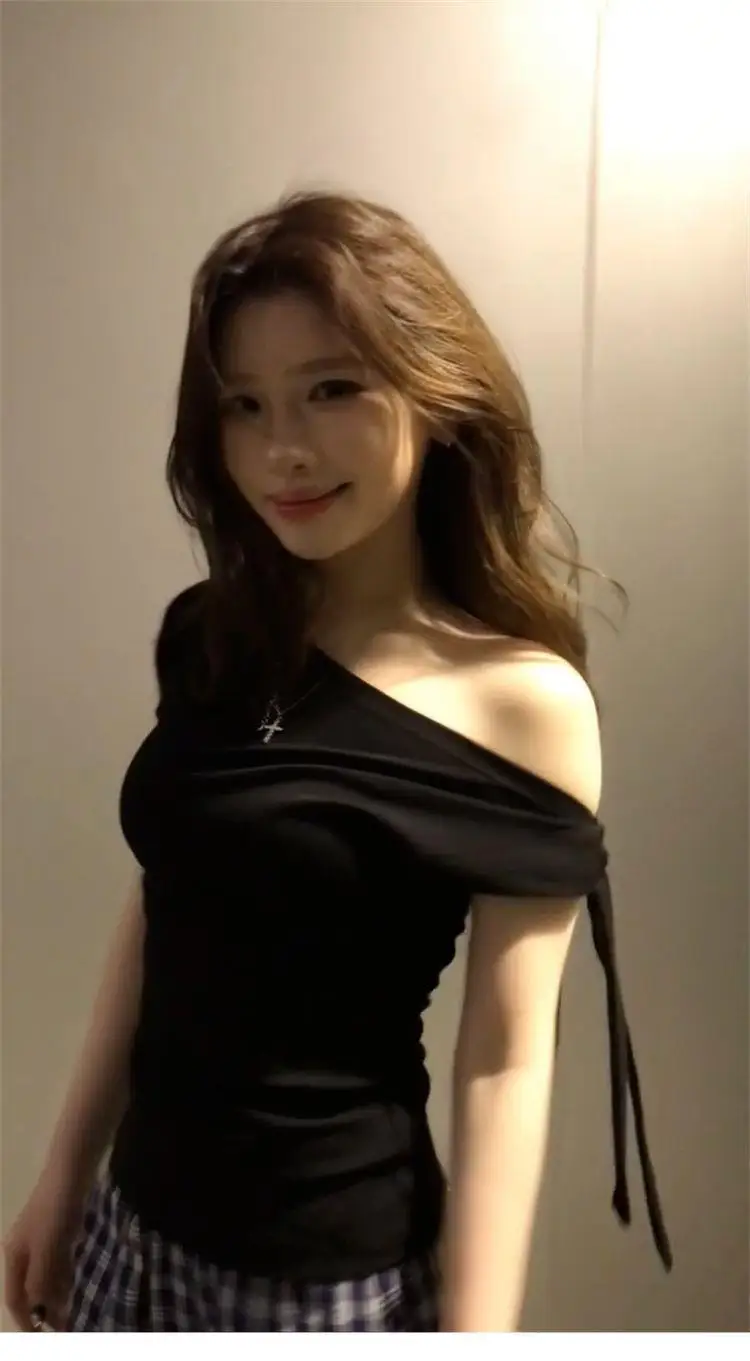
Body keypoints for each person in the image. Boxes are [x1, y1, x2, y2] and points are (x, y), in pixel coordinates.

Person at [3, 190, 671, 1334]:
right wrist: (65, 1174)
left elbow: (506, 1057)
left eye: (331, 389)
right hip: (132, 1235)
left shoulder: (521, 701)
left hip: (327, 1289)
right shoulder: (215, 634)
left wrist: (478, 1340)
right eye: (245, 405)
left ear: (434, 390)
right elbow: (169, 898)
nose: (285, 450)